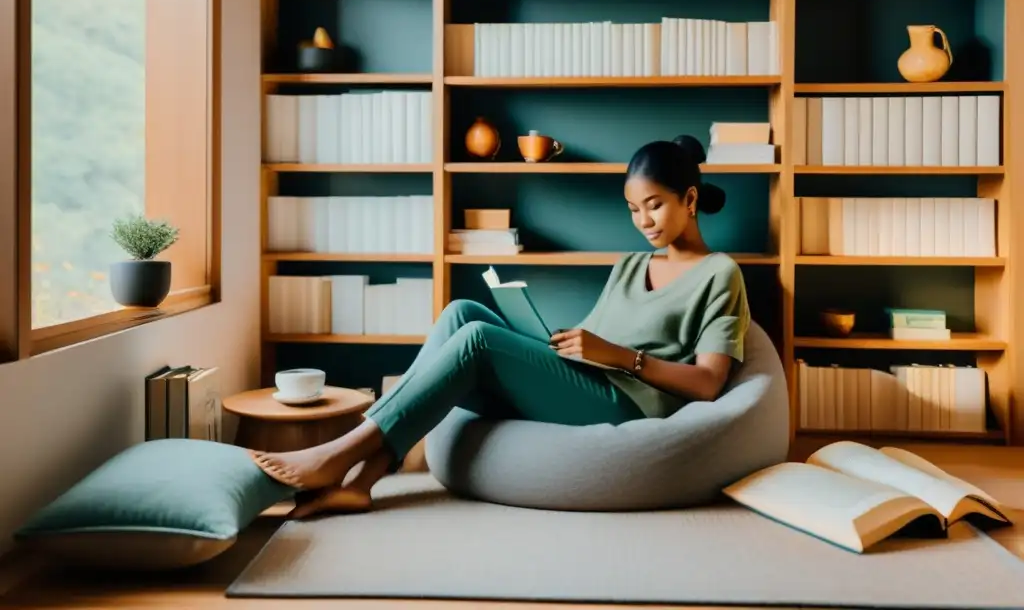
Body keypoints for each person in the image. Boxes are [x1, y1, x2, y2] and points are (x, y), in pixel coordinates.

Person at [252, 134, 751, 518]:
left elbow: (708, 384)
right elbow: (590, 342)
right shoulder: (628, 265)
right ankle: (361, 483)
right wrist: (556, 340)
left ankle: (339, 455)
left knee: (477, 340)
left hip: (628, 405)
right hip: (589, 381)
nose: (643, 220)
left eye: (655, 204)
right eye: (633, 209)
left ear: (689, 199)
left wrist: (622, 358)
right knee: (461, 314)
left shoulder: (720, 273)